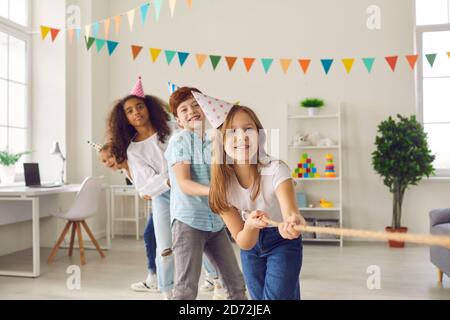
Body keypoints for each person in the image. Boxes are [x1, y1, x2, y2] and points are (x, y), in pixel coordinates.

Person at [193, 92, 306, 300]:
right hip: (250, 246)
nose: (242, 136)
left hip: (283, 241)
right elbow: (243, 242)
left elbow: (292, 213)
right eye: (232, 131)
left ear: (260, 135)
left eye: (248, 129)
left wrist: (293, 222)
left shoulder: (276, 169)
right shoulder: (221, 188)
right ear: (221, 142)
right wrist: (251, 226)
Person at [165, 87, 246, 300]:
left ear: (206, 109)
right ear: (179, 120)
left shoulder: (215, 141)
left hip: (216, 221)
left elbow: (227, 176)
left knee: (235, 284)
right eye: (184, 110)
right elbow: (183, 183)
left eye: (195, 105)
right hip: (188, 221)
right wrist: (216, 192)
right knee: (186, 289)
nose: (191, 111)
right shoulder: (180, 141)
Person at [108, 77, 174, 299]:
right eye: (129, 111)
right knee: (163, 246)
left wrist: (166, 179)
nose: (136, 112)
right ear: (124, 118)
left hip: (188, 191)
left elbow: (188, 162)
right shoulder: (133, 150)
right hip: (163, 197)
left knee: (200, 239)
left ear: (149, 108)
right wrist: (169, 180)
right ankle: (166, 290)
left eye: (139, 106)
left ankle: (216, 281)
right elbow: (146, 186)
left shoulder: (171, 131)